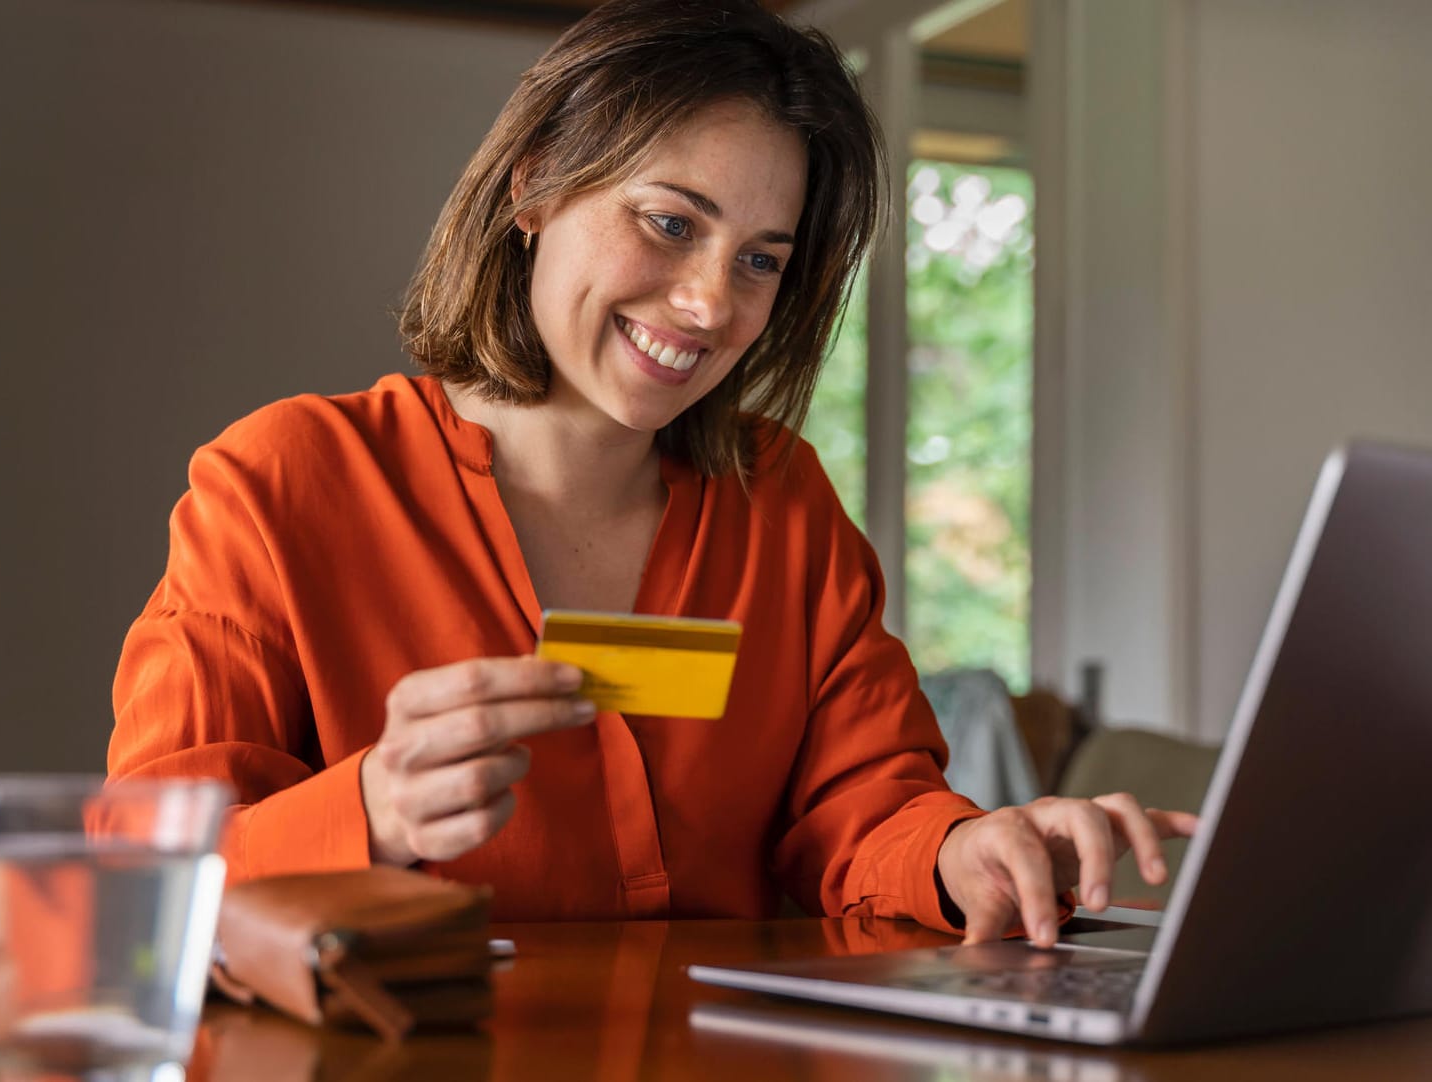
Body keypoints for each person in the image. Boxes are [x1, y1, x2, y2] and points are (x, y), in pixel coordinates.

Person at [108, 0, 1194, 946]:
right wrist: (371, 811)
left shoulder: (783, 504)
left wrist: (968, 852)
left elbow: (867, 807)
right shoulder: (283, 482)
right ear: (532, 188)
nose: (712, 304)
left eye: (760, 259)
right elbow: (140, 887)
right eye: (671, 222)